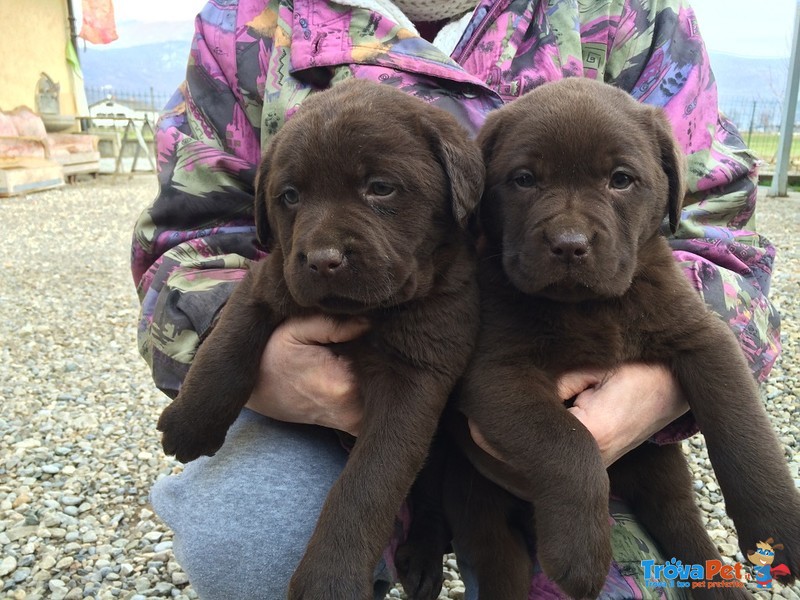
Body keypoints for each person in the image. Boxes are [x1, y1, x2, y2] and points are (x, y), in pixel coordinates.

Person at [131, 0, 781, 598]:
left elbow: (719, 234)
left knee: (646, 546)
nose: (571, 225)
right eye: (522, 180)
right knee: (250, 539)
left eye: (618, 179)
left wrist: (658, 392)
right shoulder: (248, 21)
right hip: (320, 402)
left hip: (585, 406)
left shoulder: (630, 13)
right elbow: (191, 238)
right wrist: (251, 366)